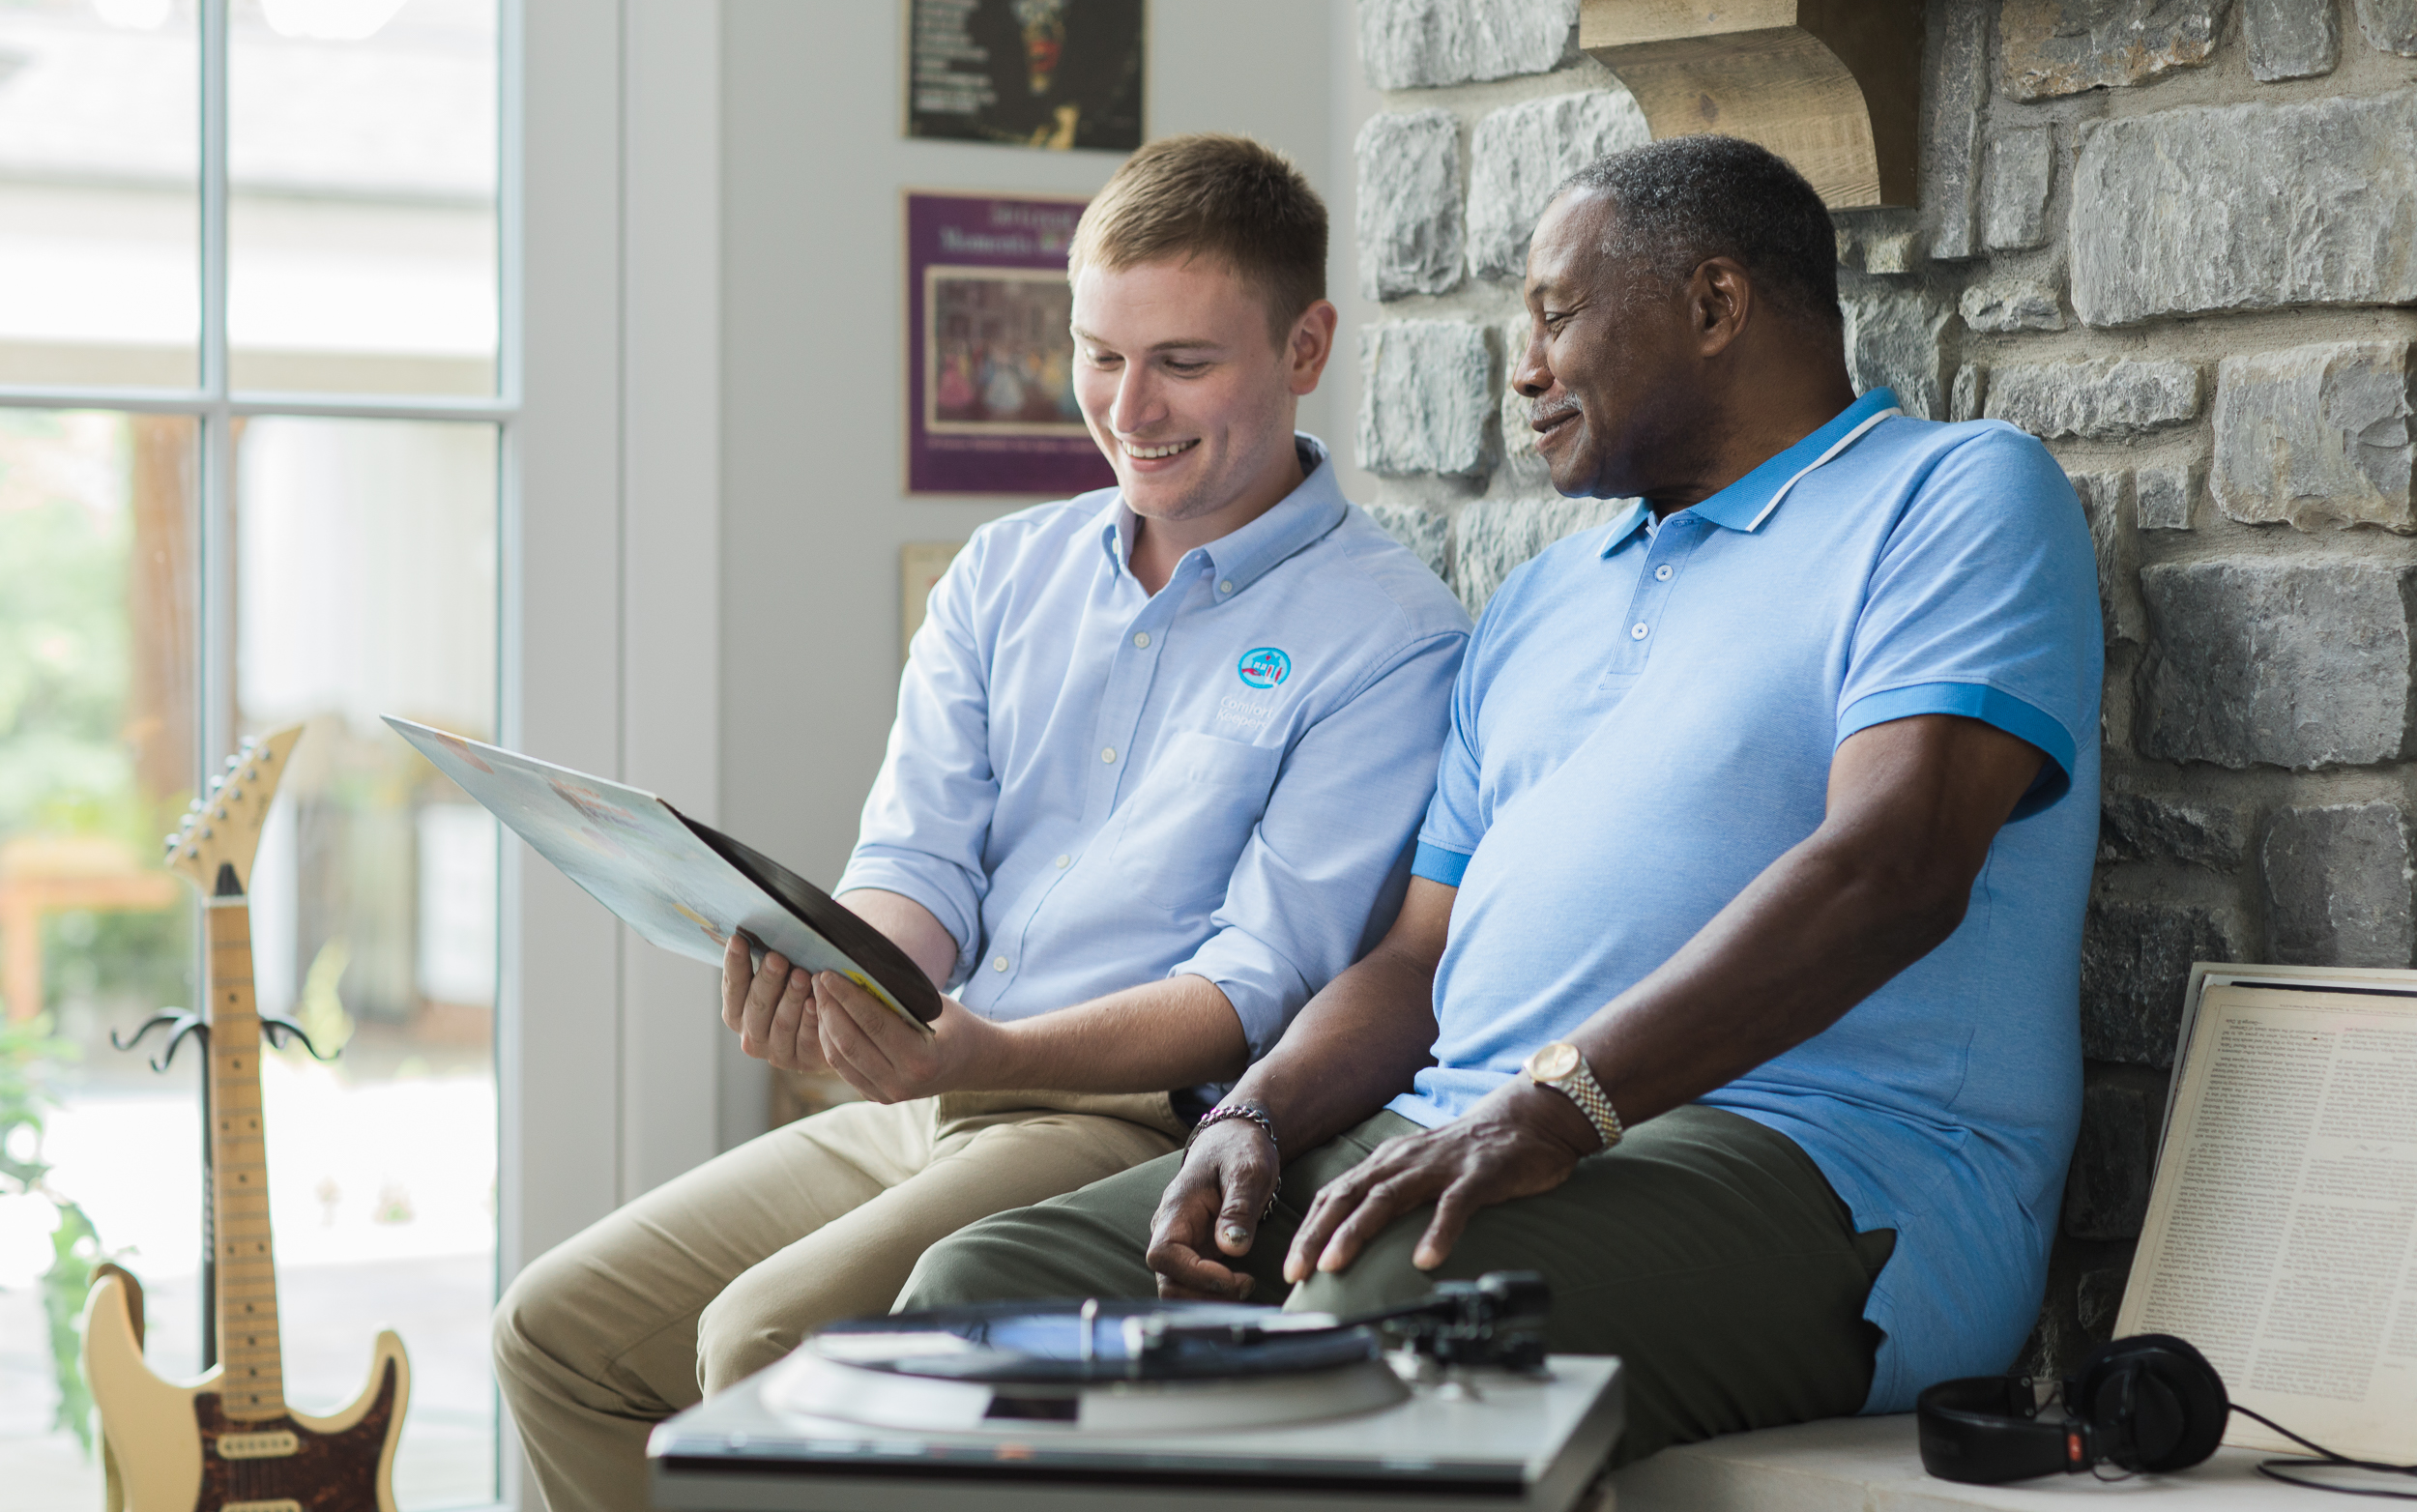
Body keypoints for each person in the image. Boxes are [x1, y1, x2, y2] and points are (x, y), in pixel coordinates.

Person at [898, 134, 2105, 1465]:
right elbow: (1420, 956)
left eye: (1554, 316)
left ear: (1714, 306)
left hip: (1832, 1163)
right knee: (979, 1298)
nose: (1523, 370)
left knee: (1381, 1314)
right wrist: (1256, 1111)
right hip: (1458, 1125)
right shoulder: (1541, 599)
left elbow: (1894, 866)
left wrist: (1557, 1106)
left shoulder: (1956, 496)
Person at [492, 132, 1472, 1510]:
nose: (1130, 407)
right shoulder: (1007, 572)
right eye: (1098, 354)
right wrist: (843, 974)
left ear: (1306, 346)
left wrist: (985, 1047)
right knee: (556, 1332)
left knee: (762, 1345)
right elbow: (917, 865)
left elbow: (1262, 983)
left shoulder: (1391, 635)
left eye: (1183, 362)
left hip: (1129, 1119)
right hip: (938, 1086)